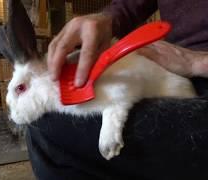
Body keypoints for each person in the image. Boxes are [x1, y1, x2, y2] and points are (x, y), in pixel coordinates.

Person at [26, 0, 208, 180]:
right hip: (176, 67)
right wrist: (107, 20)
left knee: (51, 133)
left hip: (196, 76)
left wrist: (198, 62)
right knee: (48, 125)